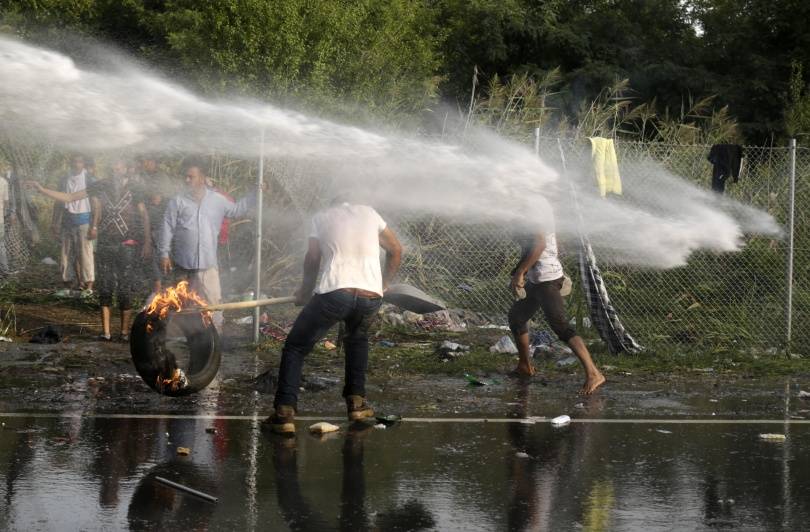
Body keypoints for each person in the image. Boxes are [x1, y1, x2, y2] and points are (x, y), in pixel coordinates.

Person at [264, 201, 402, 434]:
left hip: (336, 293)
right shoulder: (370, 212)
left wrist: (305, 291)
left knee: (296, 347)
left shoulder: (322, 216)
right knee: (357, 340)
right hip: (370, 297)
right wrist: (383, 284)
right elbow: (396, 250)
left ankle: (284, 413)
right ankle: (356, 404)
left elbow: (313, 258)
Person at [30, 159, 151, 341]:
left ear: (125, 168)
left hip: (128, 244)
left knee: (125, 288)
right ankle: (106, 332)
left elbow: (144, 215)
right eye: (112, 167)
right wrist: (41, 190)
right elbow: (71, 197)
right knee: (105, 286)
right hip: (105, 244)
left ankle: (125, 332)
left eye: (117, 166)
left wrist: (148, 241)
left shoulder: (134, 188)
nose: (113, 169)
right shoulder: (100, 186)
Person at [508, 207, 605, 394]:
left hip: (547, 278)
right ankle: (524, 366)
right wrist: (519, 271)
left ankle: (594, 373)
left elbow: (539, 244)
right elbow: (533, 246)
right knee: (517, 317)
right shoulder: (530, 206)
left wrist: (520, 271)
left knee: (560, 325)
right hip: (538, 277)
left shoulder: (533, 205)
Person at [159, 157, 257, 331]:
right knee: (184, 303)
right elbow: (167, 226)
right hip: (183, 263)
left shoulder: (217, 200)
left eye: (191, 176)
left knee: (213, 302)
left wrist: (255, 193)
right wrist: (164, 253)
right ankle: (187, 336)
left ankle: (215, 337)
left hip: (208, 265)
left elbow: (237, 210)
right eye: (186, 177)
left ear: (202, 178)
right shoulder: (178, 201)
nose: (187, 180)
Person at [51, 154, 95, 297]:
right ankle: (67, 284)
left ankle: (88, 286)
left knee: (85, 254)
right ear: (70, 163)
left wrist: (94, 226)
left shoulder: (89, 179)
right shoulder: (64, 179)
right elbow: (58, 200)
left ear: (83, 164)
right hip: (67, 220)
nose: (77, 164)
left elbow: (96, 204)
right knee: (66, 254)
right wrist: (55, 222)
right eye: (74, 162)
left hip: (84, 220)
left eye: (79, 162)